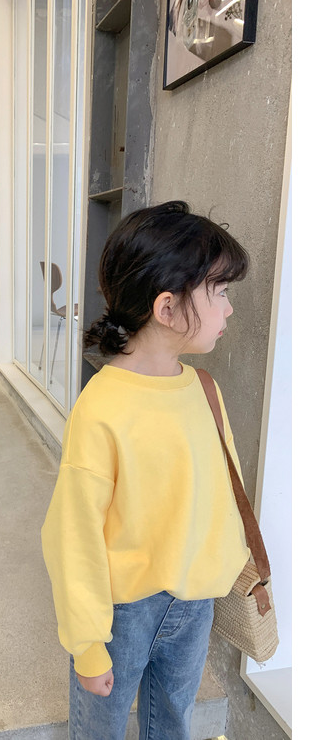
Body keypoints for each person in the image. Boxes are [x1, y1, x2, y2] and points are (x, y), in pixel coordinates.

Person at [41, 200, 251, 740]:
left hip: (195, 601)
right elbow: (73, 535)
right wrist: (88, 646)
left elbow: (221, 490)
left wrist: (228, 565)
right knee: (102, 729)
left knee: (174, 722)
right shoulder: (103, 408)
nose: (229, 309)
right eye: (220, 292)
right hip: (123, 612)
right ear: (167, 308)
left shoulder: (204, 389)